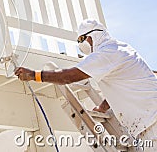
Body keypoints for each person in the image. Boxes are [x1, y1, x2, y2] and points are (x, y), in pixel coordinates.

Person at [15, 19, 157, 150]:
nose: (80, 44)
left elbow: (68, 77)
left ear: (92, 37)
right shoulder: (120, 49)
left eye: (81, 39)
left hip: (152, 124)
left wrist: (34, 75)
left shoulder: (106, 53)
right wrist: (102, 107)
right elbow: (121, 88)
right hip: (148, 123)